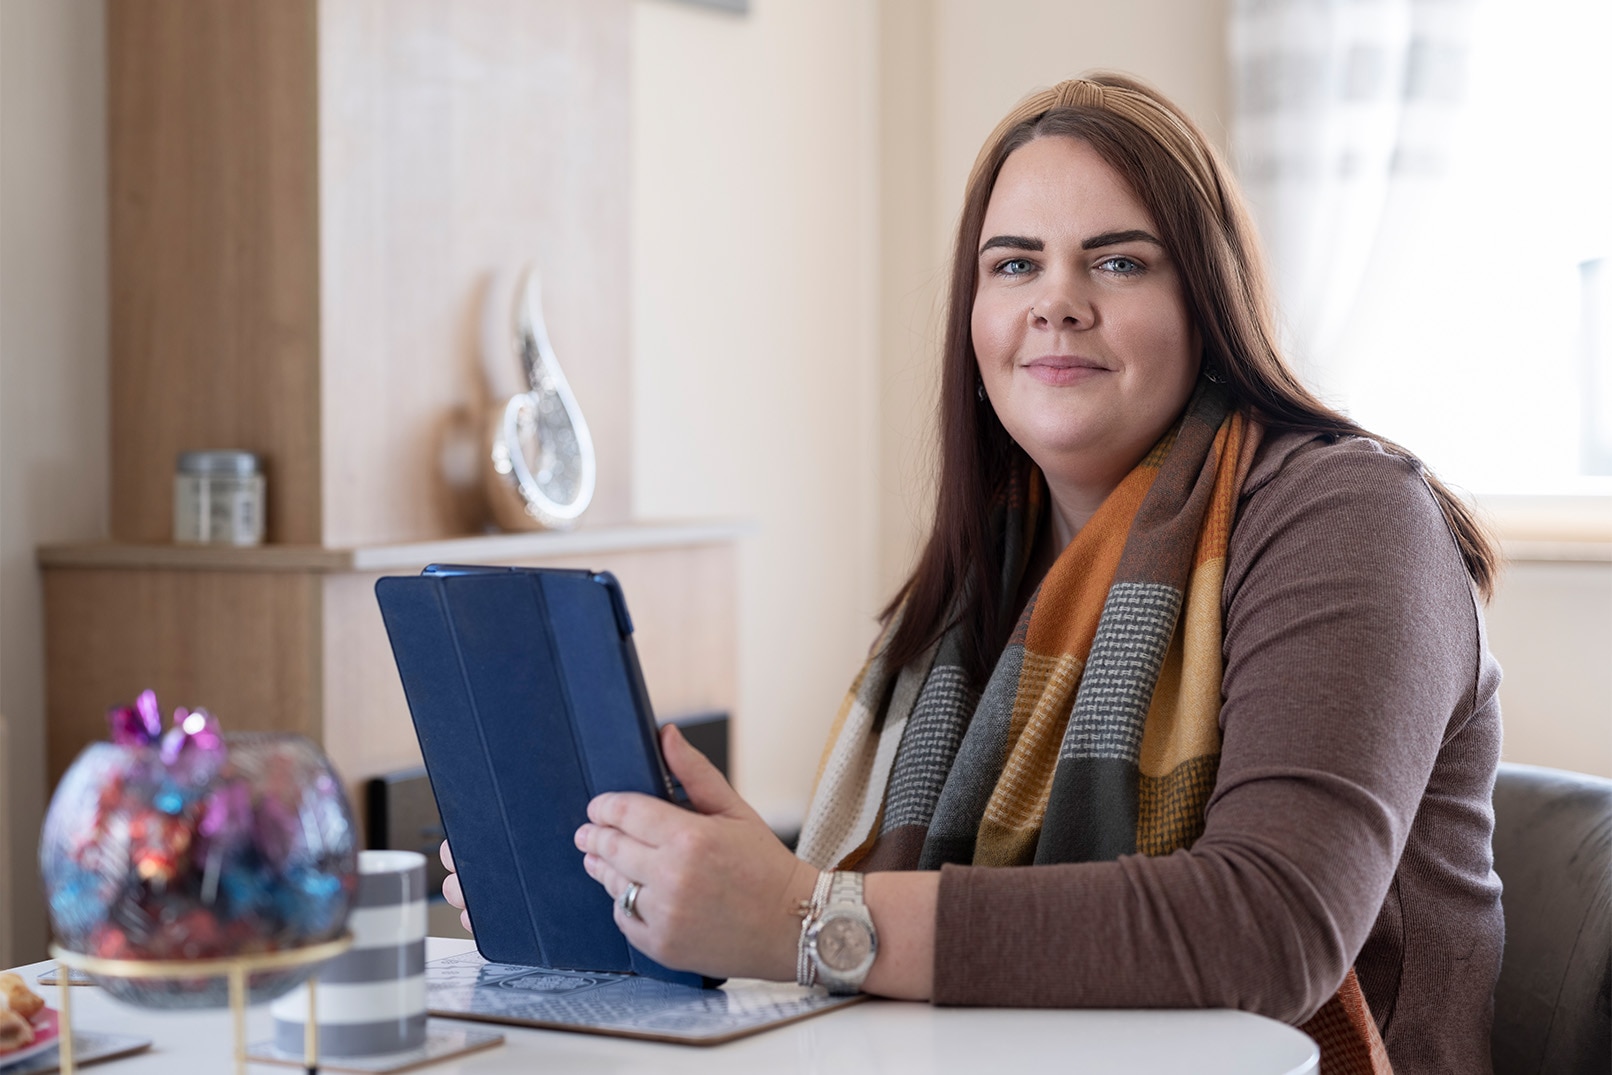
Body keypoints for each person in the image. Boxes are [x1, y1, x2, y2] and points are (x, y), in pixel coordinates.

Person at [442, 72, 1504, 1074]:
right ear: (973, 317)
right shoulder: (983, 574)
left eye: (1119, 261)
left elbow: (1271, 925)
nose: (1056, 301)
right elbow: (880, 917)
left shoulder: (1351, 514)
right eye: (1013, 264)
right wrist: (706, 881)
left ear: (1207, 302)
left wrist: (810, 915)